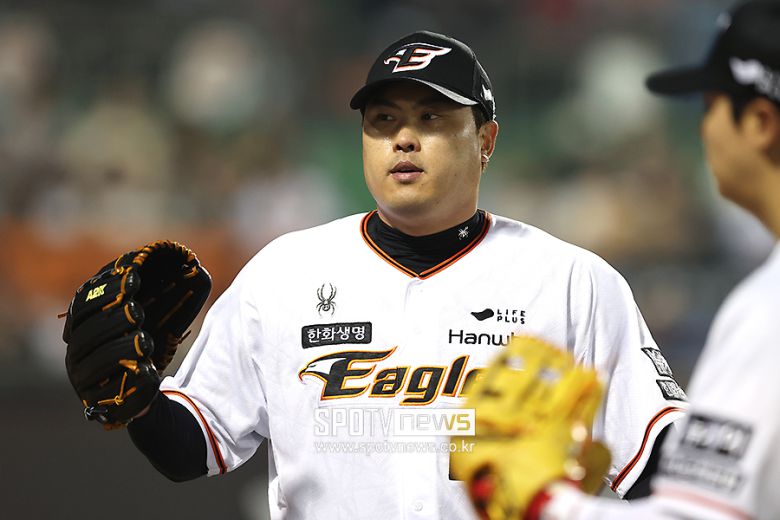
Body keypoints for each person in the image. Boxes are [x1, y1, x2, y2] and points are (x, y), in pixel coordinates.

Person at [85, 31, 684, 518]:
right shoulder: (284, 274)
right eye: (383, 119)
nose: (403, 138)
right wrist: (140, 402)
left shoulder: (572, 282)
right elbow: (190, 446)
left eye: (431, 117)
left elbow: (662, 464)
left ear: (486, 139)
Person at [499, 2, 780, 519]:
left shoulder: (767, 311)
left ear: (760, 122)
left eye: (710, 106)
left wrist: (541, 496)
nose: (703, 130)